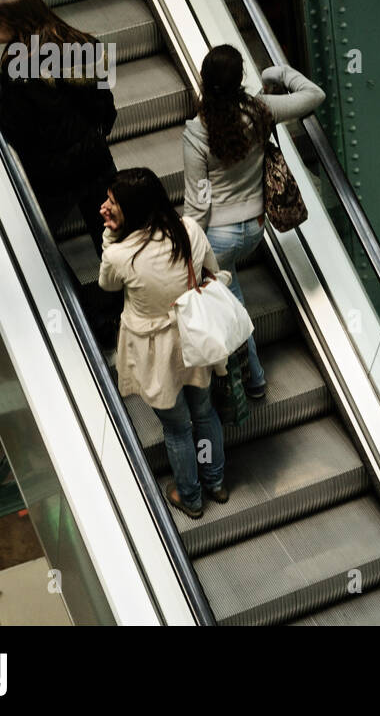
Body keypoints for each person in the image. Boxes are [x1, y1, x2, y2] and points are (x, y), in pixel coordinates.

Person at [0, 0, 119, 343]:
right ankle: (119, 304)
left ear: (18, 22)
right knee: (110, 233)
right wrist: (96, 134)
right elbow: (100, 101)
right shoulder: (78, 41)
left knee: (35, 239)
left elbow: (18, 128)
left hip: (55, 174)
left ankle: (86, 317)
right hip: (94, 158)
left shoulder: (19, 68)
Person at [182, 45, 325, 401]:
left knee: (230, 308)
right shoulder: (261, 111)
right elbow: (314, 95)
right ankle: (254, 378)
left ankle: (254, 381)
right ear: (240, 78)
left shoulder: (198, 133)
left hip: (220, 236)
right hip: (256, 228)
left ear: (204, 80)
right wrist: (277, 74)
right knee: (232, 298)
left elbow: (198, 203)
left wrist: (186, 246)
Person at [98, 167, 228, 519]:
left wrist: (111, 237)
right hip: (194, 337)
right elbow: (212, 271)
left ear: (132, 209)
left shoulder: (120, 255)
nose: (105, 207)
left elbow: (107, 284)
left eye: (112, 202)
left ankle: (190, 496)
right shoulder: (188, 230)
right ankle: (215, 481)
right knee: (204, 413)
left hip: (154, 350)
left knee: (176, 428)